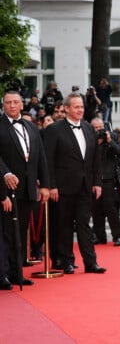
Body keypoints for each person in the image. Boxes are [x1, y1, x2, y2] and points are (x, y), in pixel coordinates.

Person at [44, 93, 106, 274]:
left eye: (82, 107)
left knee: (84, 224)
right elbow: (48, 160)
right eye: (76, 107)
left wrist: (97, 182)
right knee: (64, 225)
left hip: (85, 186)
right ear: (66, 109)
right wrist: (51, 185)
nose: (80, 110)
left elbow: (95, 159)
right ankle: (66, 261)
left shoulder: (88, 128)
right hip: (63, 187)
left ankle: (90, 262)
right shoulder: (54, 130)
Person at [0, 91, 50, 286]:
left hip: (28, 189)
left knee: (20, 232)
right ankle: (2, 274)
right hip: (6, 189)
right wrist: (4, 179)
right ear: (3, 105)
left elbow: (40, 158)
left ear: (22, 105)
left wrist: (45, 185)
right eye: (8, 102)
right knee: (5, 233)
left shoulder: (31, 127)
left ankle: (16, 273)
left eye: (15, 102)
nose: (12, 105)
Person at [90, 118, 120, 247]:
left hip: (108, 179)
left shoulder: (112, 138)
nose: (98, 130)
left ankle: (117, 236)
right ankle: (99, 236)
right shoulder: (89, 139)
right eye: (95, 127)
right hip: (94, 180)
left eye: (100, 127)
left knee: (111, 209)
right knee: (96, 210)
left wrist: (109, 141)